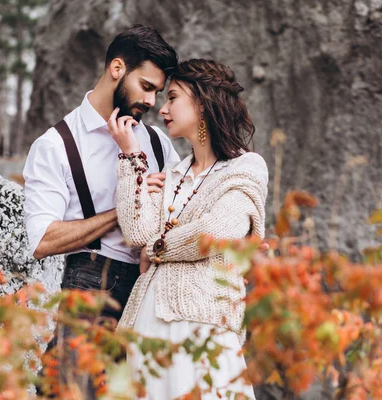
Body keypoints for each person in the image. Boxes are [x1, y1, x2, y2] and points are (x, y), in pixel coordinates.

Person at [22, 25, 180, 396]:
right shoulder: (56, 144)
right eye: (146, 86)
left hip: (150, 294)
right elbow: (43, 239)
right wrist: (124, 208)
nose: (153, 102)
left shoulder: (155, 141)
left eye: (158, 92)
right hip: (90, 288)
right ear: (117, 69)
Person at [110, 59, 268, 399]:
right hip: (147, 326)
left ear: (202, 103)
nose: (163, 109)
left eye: (173, 98)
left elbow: (217, 232)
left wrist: (155, 251)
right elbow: (137, 232)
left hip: (202, 328)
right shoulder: (174, 176)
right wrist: (131, 158)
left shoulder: (245, 167)